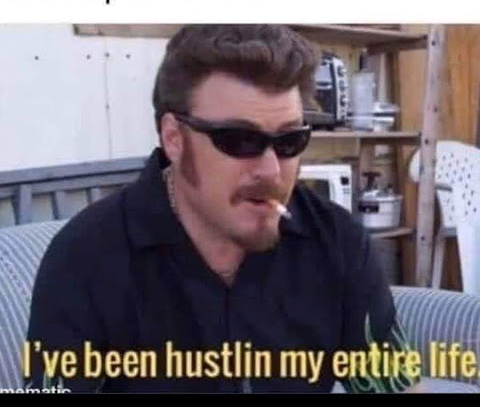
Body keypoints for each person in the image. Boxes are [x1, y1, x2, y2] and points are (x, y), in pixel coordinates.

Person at [27, 24, 419, 393]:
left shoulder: (336, 242)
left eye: (290, 141)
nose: (271, 171)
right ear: (174, 138)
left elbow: (395, 385)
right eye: (240, 140)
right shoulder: (86, 259)